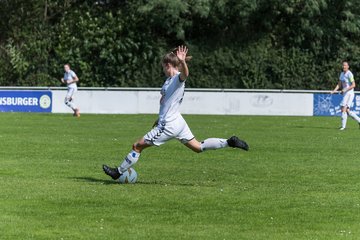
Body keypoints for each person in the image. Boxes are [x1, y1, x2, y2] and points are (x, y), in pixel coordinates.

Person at [103, 46, 249, 180]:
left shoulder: (177, 79)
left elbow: (185, 74)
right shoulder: (168, 81)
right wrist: (158, 118)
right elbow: (166, 103)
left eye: (163, 67)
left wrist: (183, 62)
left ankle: (118, 172)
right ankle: (229, 142)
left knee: (137, 146)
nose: (163, 70)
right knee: (198, 147)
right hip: (177, 121)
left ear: (168, 65)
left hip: (168, 125)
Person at [331, 61, 360, 130]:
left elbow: (353, 85)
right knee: (347, 110)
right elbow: (339, 84)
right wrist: (334, 91)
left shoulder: (349, 74)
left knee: (343, 108)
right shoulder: (342, 74)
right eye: (343, 65)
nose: (344, 66)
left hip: (349, 93)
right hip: (346, 93)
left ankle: (343, 127)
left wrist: (345, 90)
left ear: (348, 66)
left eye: (345, 65)